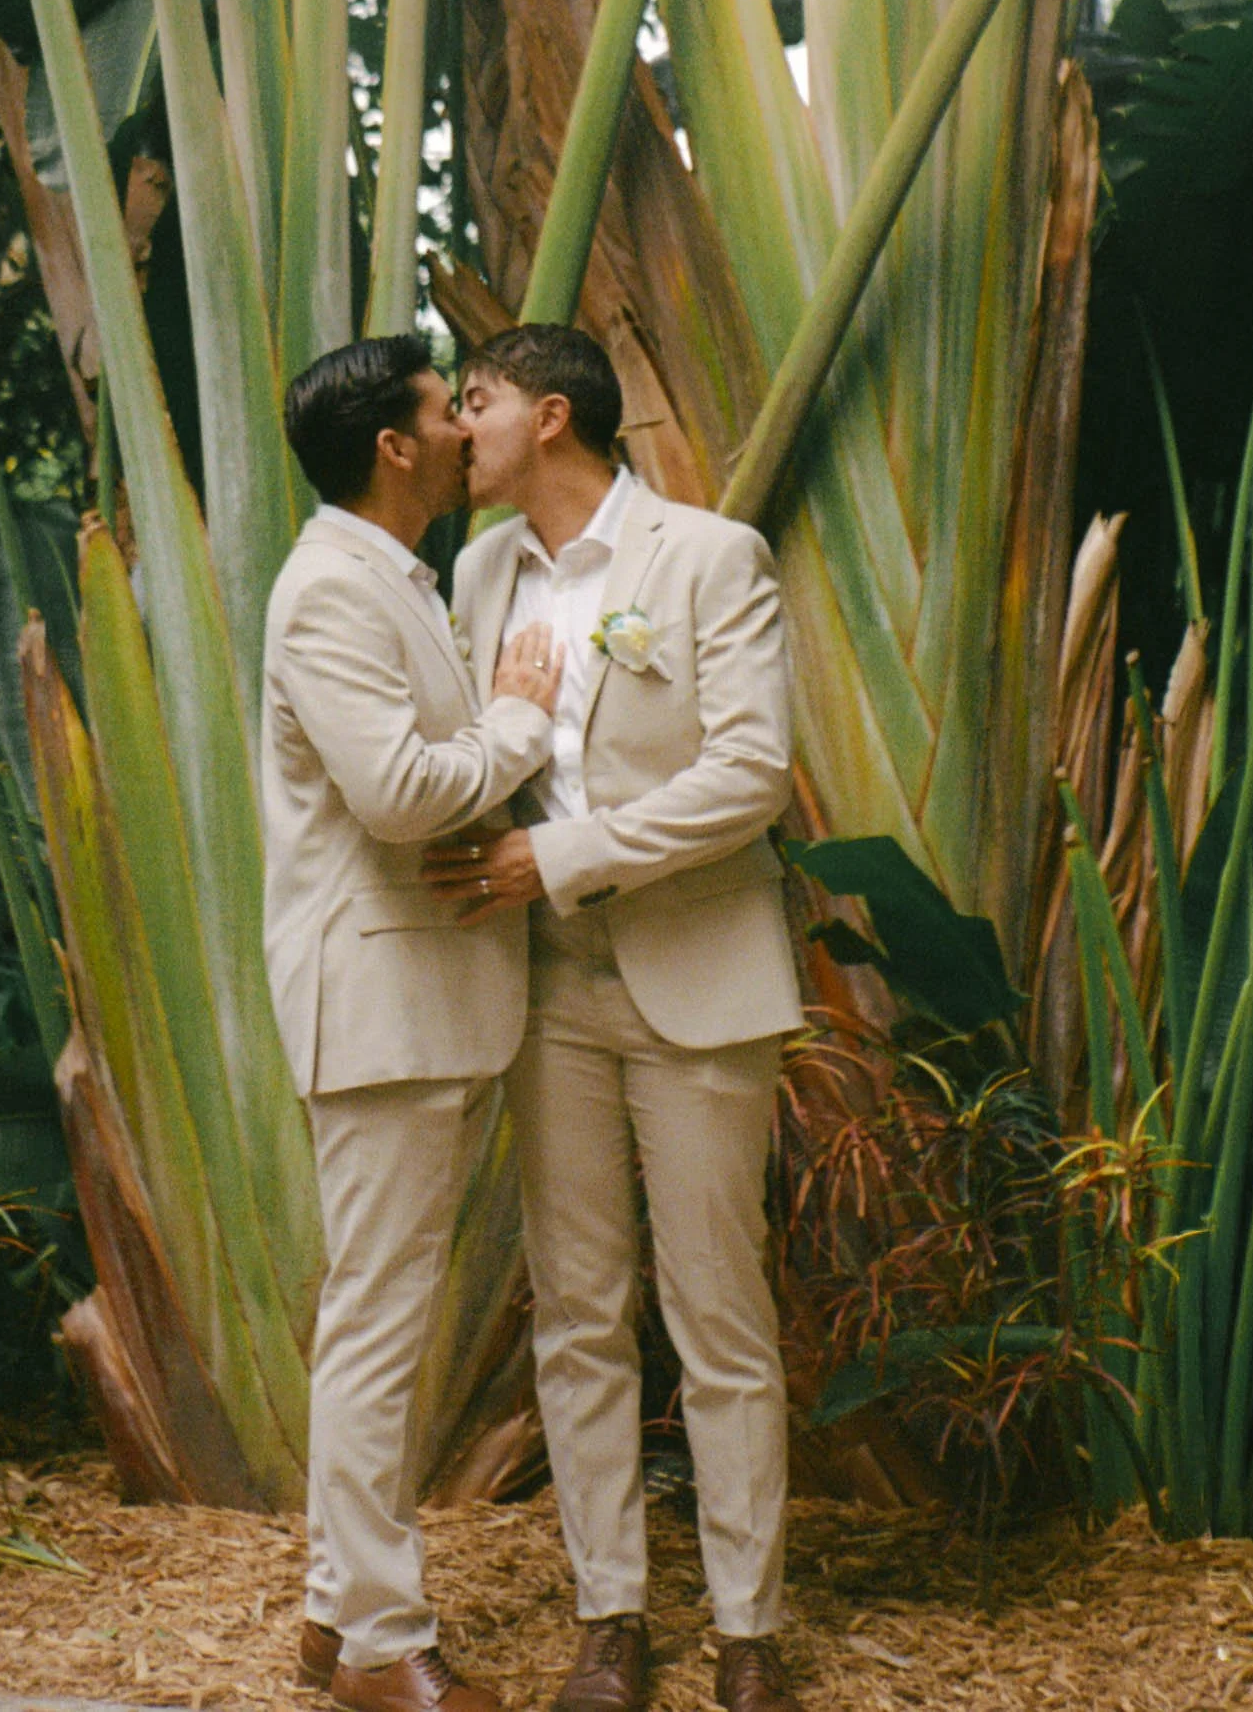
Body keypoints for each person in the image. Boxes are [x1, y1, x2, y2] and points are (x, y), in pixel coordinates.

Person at [424, 326, 804, 1712]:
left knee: (718, 1309)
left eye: (475, 402)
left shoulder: (709, 557)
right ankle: (608, 1620)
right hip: (542, 991)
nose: (459, 427)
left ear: (557, 413)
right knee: (576, 1310)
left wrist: (564, 856)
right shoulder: (474, 571)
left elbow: (751, 771)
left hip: (697, 974)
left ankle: (748, 1630)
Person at [264, 335, 565, 1712]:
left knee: (380, 1314)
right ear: (391, 445)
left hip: (422, 1001)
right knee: (377, 1323)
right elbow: (394, 789)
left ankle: (339, 1614)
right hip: (377, 1004)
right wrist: (515, 726)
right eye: (446, 411)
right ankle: (381, 1644)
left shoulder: (393, 576)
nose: (461, 431)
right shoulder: (330, 586)